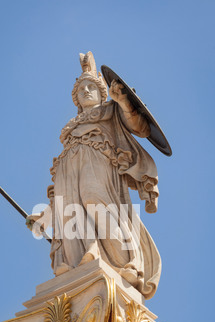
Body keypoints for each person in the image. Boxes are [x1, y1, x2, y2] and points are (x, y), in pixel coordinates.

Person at [27, 52, 161, 300]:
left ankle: (128, 263)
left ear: (102, 93)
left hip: (98, 162)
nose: (86, 91)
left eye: (92, 87)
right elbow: (56, 188)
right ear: (76, 99)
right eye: (81, 89)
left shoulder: (111, 111)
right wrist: (46, 214)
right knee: (69, 209)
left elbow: (140, 128)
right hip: (68, 168)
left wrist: (123, 102)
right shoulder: (70, 129)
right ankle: (83, 256)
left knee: (94, 201)